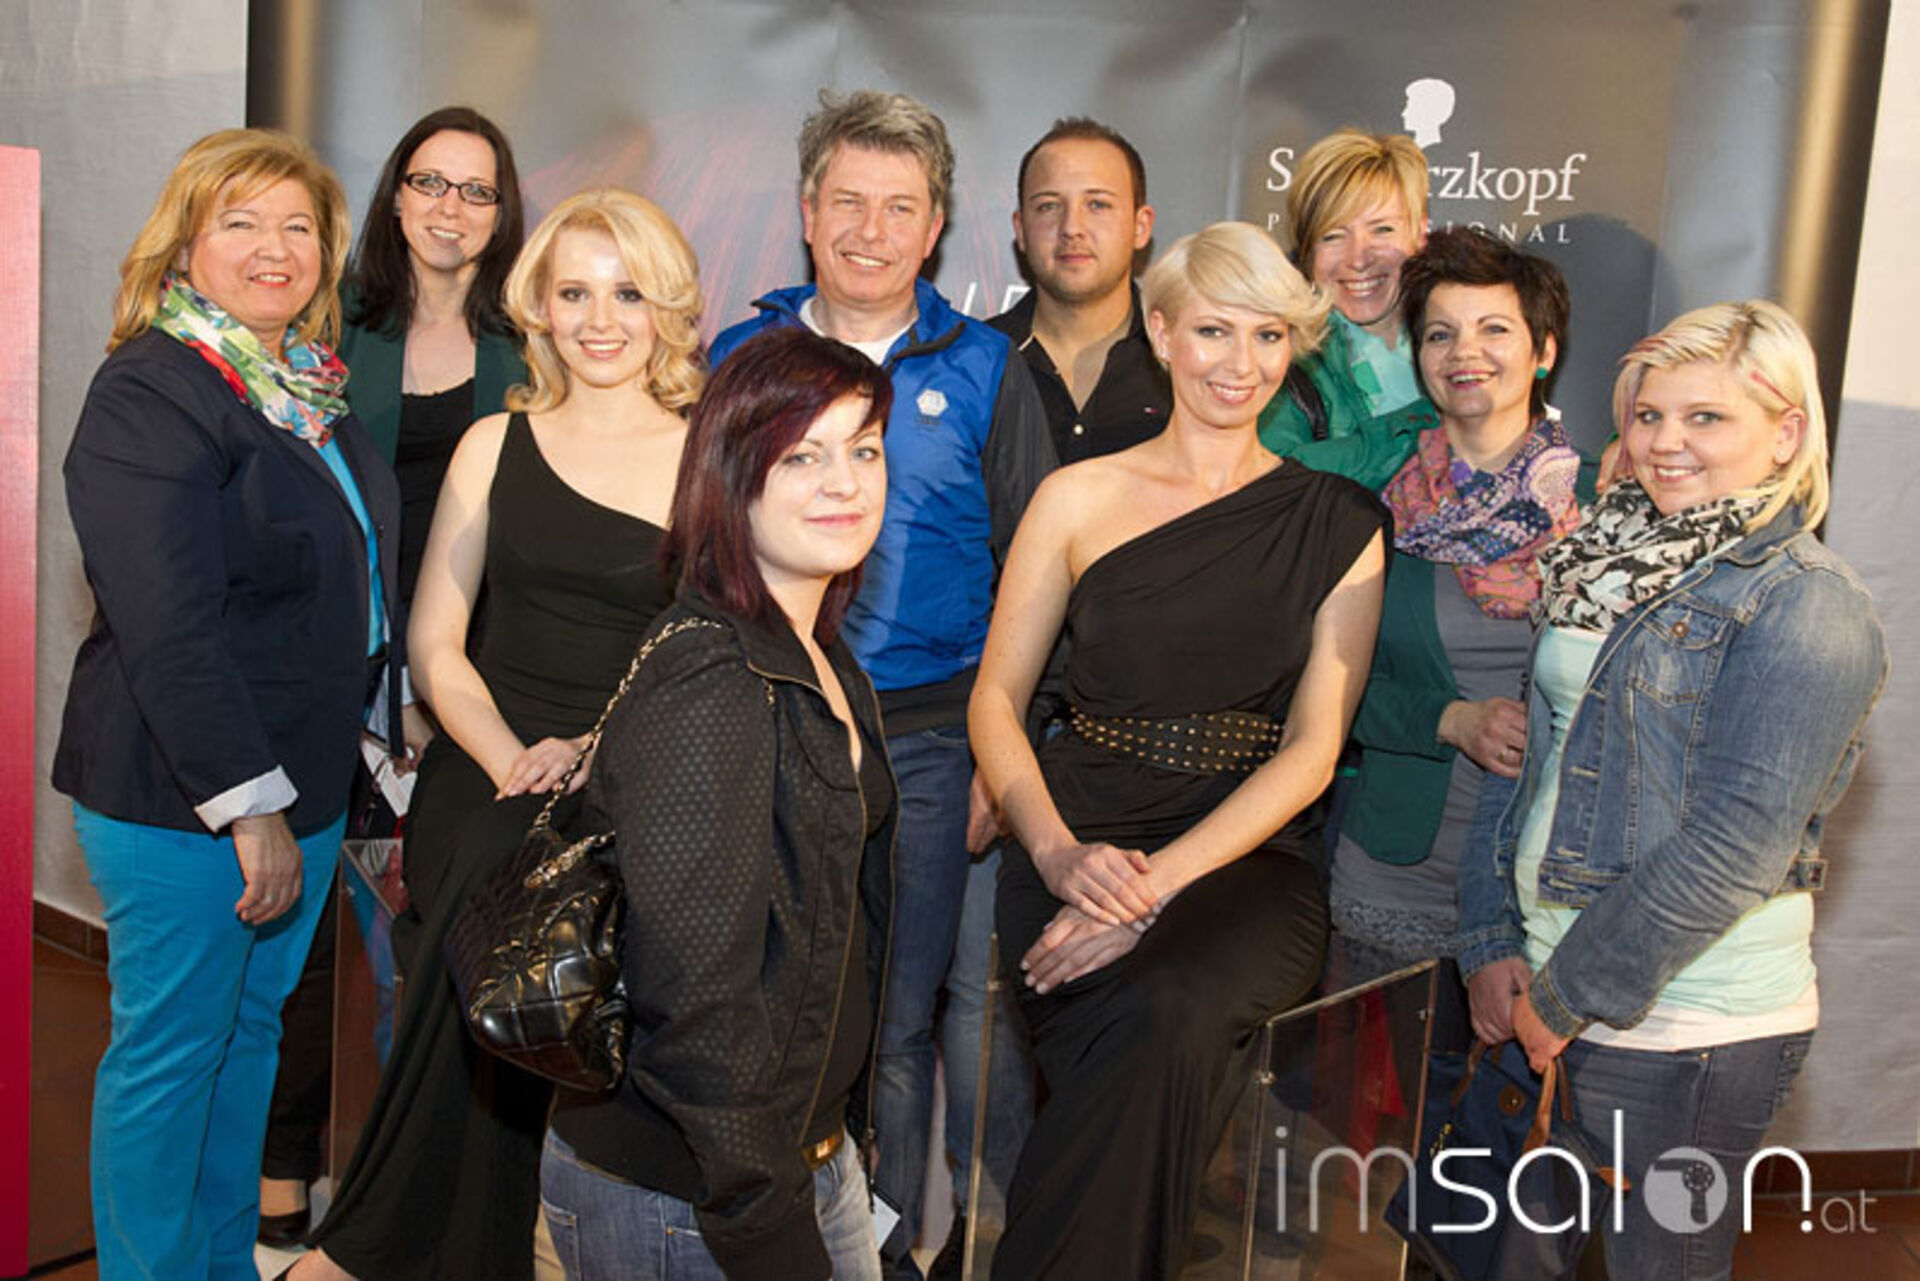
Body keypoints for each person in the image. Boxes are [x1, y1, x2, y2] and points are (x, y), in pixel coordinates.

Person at [294, 188, 702, 1280]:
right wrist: (511, 757)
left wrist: (594, 757)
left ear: (667, 306)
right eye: (574, 293)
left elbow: (707, 654)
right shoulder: (493, 442)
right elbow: (436, 643)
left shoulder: (711, 458)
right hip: (487, 759)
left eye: (627, 293)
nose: (600, 319)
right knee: (491, 858)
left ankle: (374, 1249)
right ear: (540, 310)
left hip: (639, 769)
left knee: (524, 895)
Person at [971, 222, 1387, 1277]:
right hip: (1077, 835)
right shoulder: (1076, 496)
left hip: (1248, 857)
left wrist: (1147, 892)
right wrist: (1060, 856)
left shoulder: (1339, 521)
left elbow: (1313, 751)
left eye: (1267, 336)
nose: (1239, 363)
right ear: (1160, 332)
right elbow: (998, 699)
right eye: (1212, 330)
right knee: (1131, 1071)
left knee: (1168, 1010)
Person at [1460, 301, 1888, 1280]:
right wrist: (1493, 942)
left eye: (1707, 417)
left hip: (1690, 1026)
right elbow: (1529, 755)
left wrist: (1567, 996)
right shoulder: (1601, 563)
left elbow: (1736, 845)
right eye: (1650, 415)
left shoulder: (1810, 603)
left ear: (1786, 433)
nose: (1665, 442)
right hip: (1550, 983)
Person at [708, 88, 1056, 1278]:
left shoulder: (988, 368)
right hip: (770, 723)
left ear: (936, 225)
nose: (871, 230)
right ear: (807, 211)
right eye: (848, 201)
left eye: (899, 207)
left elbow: (1036, 570)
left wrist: (1001, 758)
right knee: (769, 1012)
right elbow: (701, 548)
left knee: (900, 1026)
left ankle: (889, 1256)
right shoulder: (742, 358)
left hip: (930, 742)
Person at [51, 127, 399, 1280]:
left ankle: (215, 1264)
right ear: (184, 245)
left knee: (245, 1043)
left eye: (298, 226)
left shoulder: (304, 391)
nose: (274, 247)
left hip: (302, 783)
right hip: (185, 801)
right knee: (171, 1059)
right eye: (240, 222)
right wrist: (250, 809)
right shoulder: (152, 388)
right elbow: (169, 625)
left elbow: (344, 581)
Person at [541, 327, 895, 1281]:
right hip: (693, 1195)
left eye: (864, 449)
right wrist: (763, 1217)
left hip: (800, 1158)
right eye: (803, 456)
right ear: (733, 479)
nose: (845, 482)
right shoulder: (713, 677)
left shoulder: (820, 655)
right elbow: (693, 996)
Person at [260, 103, 529, 1250]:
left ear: (502, 213)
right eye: (430, 182)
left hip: (468, 687)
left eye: (476, 190)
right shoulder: (330, 327)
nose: (449, 209)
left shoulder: (531, 342)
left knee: (426, 950)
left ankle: (403, 1200)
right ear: (396, 195)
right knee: (308, 949)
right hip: (333, 679)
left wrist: (439, 691)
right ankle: (284, 1182)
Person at [1326, 228, 1583, 986]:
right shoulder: (1376, 505)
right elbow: (1329, 692)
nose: (1465, 351)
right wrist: (1449, 719)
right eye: (1441, 334)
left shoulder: (1603, 504)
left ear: (1543, 351)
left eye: (1494, 329)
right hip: (1398, 882)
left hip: (1552, 892)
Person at [990, 116, 1170, 462]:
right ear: (1021, 230)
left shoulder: (1187, 362)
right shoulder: (973, 362)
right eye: (1048, 206)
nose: (1072, 227)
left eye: (1098, 204)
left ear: (1141, 226)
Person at [1256, 128, 1431, 478]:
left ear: (1420, 233)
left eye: (1382, 230)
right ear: (1307, 253)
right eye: (1333, 236)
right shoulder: (1280, 357)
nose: (1358, 259)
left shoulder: (1465, 340)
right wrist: (1429, 424)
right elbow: (1272, 480)